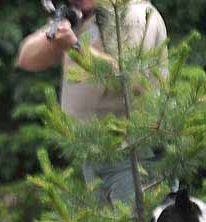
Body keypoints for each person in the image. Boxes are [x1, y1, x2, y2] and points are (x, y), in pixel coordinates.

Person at [16, 1, 168, 205]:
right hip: (96, 156)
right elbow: (27, 58)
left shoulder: (133, 16)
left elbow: (129, 79)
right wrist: (57, 34)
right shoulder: (83, 17)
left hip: (133, 155)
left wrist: (76, 47)